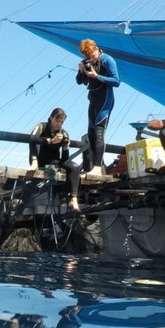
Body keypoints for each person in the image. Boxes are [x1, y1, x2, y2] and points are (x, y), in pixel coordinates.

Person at [75, 39, 120, 177]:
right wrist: (81, 71)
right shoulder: (88, 62)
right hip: (93, 99)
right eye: (87, 57)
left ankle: (97, 166)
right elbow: (79, 82)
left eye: (92, 55)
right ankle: (96, 167)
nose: (91, 59)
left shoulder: (107, 60)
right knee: (91, 133)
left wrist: (96, 76)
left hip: (105, 99)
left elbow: (116, 81)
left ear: (97, 49)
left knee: (99, 132)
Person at [29, 108, 84, 212]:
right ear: (51, 118)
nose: (59, 124)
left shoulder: (63, 133)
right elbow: (32, 138)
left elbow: (65, 159)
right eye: (57, 121)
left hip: (54, 160)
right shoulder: (42, 126)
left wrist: (65, 146)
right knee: (34, 141)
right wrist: (50, 141)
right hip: (39, 158)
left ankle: (73, 198)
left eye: (61, 122)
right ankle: (34, 161)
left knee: (74, 167)